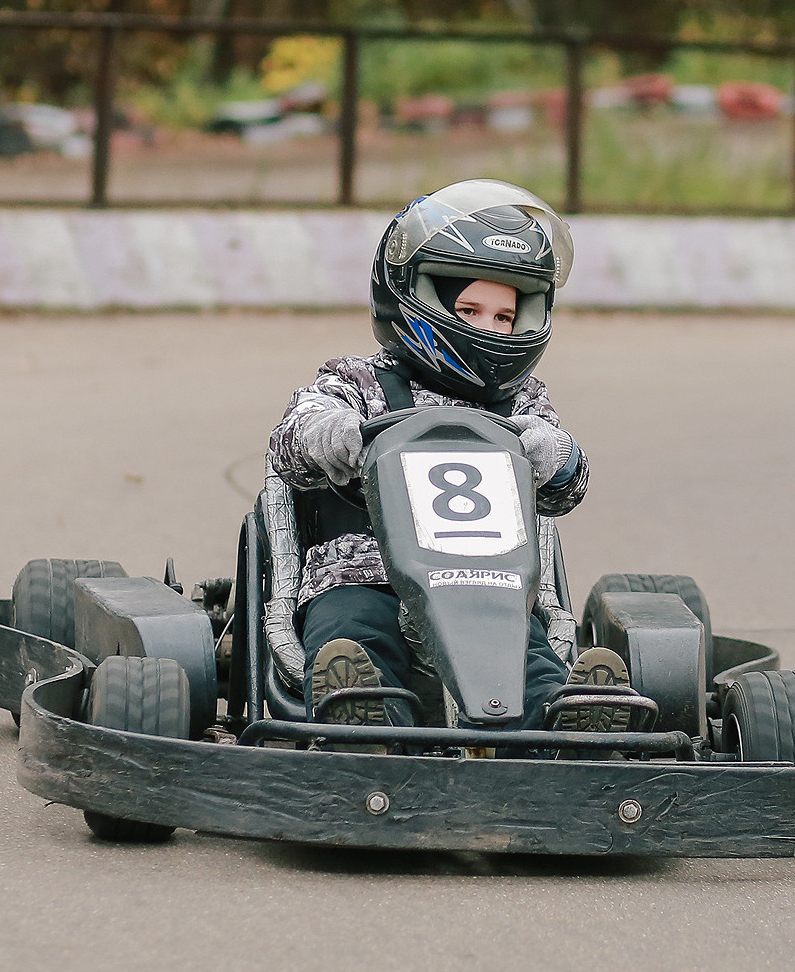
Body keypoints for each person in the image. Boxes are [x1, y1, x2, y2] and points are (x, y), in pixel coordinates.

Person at [263, 179, 626, 739]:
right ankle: (369, 722)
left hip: (489, 587)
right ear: (415, 298)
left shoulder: (522, 404)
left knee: (529, 661)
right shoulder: (360, 382)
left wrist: (553, 454)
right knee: (354, 637)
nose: (490, 328)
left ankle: (564, 728)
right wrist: (338, 437)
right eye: (469, 309)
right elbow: (293, 438)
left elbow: (566, 488)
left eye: (505, 317)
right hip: (363, 574)